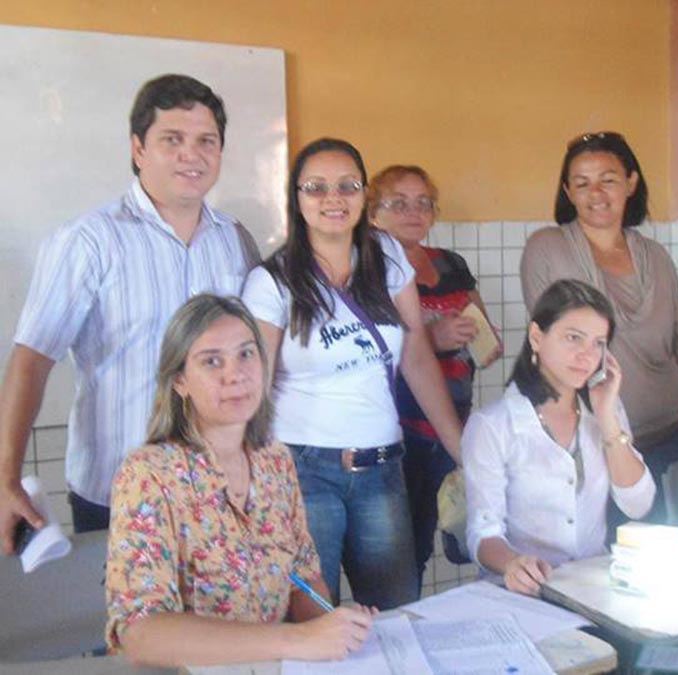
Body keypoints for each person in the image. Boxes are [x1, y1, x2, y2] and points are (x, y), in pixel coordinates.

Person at [0, 74, 259, 550]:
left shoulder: (236, 241)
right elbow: (31, 360)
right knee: (124, 604)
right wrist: (5, 477)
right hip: (119, 494)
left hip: (218, 488)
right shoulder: (89, 241)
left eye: (206, 141)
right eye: (172, 139)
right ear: (138, 149)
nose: (191, 155)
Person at [242, 139, 463, 609]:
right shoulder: (272, 282)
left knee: (395, 613)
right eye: (316, 188)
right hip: (302, 471)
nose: (333, 199)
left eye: (347, 186)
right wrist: (247, 480)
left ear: (364, 195)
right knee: (313, 621)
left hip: (382, 468)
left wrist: (460, 447)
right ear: (296, 198)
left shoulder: (386, 257)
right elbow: (254, 388)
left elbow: (416, 356)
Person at [105, 295, 374, 667]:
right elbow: (140, 632)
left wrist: (334, 628)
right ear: (179, 380)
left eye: (246, 354)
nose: (235, 374)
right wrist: (298, 639)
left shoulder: (275, 461)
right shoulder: (148, 475)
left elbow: (303, 576)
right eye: (212, 361)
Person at [519, 132, 678, 525]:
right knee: (606, 555)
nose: (596, 193)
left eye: (608, 180)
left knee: (674, 549)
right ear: (568, 192)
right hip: (594, 442)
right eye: (582, 183)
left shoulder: (656, 257)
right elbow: (552, 354)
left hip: (670, 436)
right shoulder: (547, 248)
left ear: (631, 182)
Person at [463, 279, 655, 596]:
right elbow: (483, 532)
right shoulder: (492, 425)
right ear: (536, 337)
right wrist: (512, 563)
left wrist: (607, 418)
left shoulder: (605, 410)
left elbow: (638, 504)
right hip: (523, 592)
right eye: (573, 338)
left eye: (598, 343)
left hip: (592, 588)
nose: (586, 355)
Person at [367, 164, 502, 587]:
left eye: (423, 203)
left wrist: (483, 340)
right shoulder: (369, 269)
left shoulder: (450, 263)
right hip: (401, 432)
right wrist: (432, 338)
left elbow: (483, 330)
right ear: (372, 213)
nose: (414, 212)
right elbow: (367, 354)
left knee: (444, 536)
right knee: (403, 552)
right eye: (399, 203)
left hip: (453, 422)